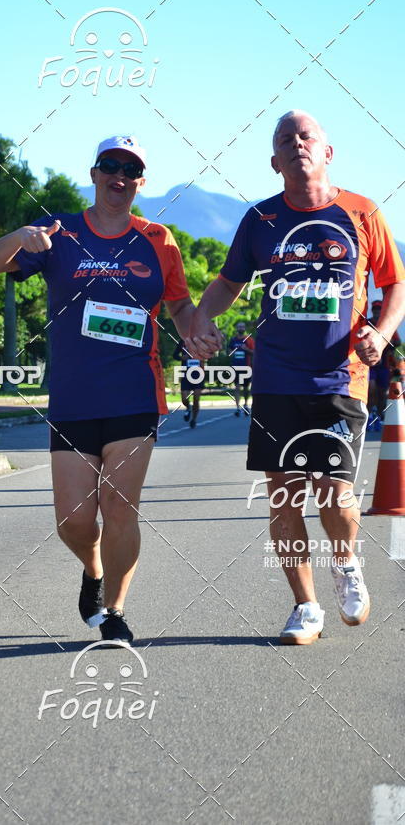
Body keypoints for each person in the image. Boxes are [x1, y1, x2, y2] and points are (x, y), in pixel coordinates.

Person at [189, 109, 405, 645]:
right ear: (274, 161)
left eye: (307, 136)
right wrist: (200, 316)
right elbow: (227, 282)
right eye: (285, 139)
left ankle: (346, 560)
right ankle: (305, 607)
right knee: (284, 494)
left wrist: (380, 333)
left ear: (327, 152)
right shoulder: (260, 221)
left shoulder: (361, 212)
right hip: (276, 377)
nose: (297, 143)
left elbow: (395, 284)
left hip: (341, 376)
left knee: (334, 491)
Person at [0, 136, 194, 644]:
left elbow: (180, 307)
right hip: (74, 400)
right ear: (94, 173)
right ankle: (92, 569)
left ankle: (115, 611)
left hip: (134, 396)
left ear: (141, 182)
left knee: (120, 508)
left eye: (131, 169)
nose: (119, 175)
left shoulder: (160, 240)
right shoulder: (60, 233)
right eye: (110, 166)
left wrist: (198, 330)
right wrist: (23, 235)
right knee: (74, 522)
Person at [366, 299, 400, 430]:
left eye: (379, 310)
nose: (376, 312)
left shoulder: (387, 325)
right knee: (371, 389)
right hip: (369, 365)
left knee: (383, 393)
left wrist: (386, 339)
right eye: (374, 310)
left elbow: (396, 343)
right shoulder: (367, 323)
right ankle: (369, 415)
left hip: (384, 365)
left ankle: (380, 417)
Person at [173, 339, 204, 428]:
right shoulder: (183, 341)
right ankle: (188, 407)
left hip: (198, 374)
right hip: (186, 373)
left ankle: (194, 420)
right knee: (184, 399)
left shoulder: (201, 340)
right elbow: (175, 355)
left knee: (196, 399)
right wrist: (181, 358)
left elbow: (209, 354)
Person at [227, 321, 254, 416]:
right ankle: (237, 408)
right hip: (236, 368)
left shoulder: (249, 340)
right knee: (237, 387)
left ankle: (246, 405)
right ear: (237, 328)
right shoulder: (233, 340)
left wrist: (246, 349)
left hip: (246, 367)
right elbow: (229, 351)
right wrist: (232, 352)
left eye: (242, 327)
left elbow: (255, 352)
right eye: (239, 327)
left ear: (245, 328)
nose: (241, 328)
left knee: (246, 388)